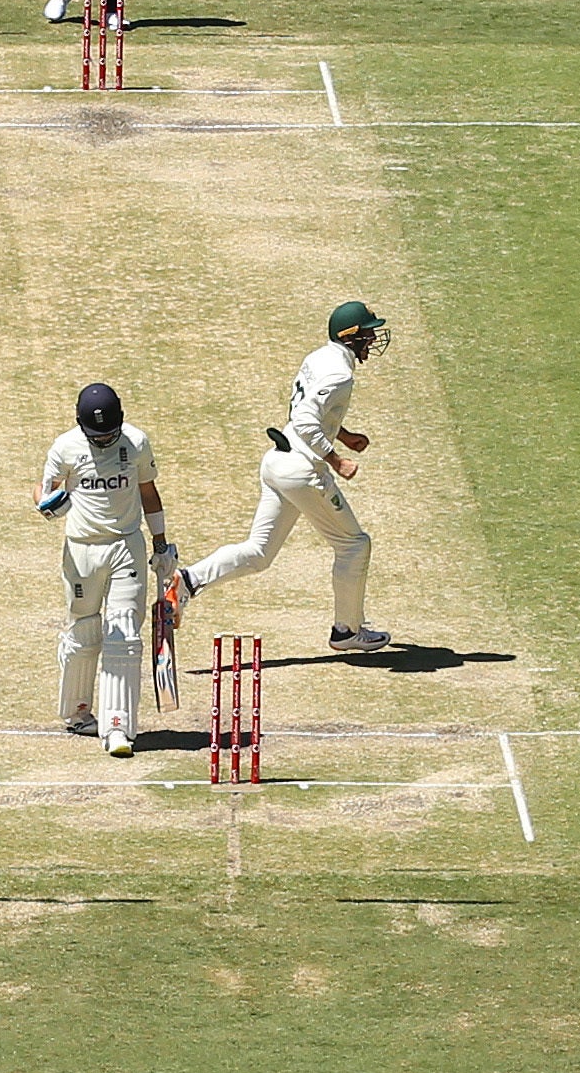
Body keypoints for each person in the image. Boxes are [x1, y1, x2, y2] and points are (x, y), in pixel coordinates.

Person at [172, 302, 394, 654]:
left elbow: (306, 412)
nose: (372, 339)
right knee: (355, 545)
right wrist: (336, 459)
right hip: (303, 472)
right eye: (367, 333)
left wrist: (344, 433)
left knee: (259, 553)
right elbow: (306, 420)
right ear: (350, 337)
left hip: (278, 461)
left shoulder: (320, 357)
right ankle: (347, 631)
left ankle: (187, 581)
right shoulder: (341, 374)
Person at [37, 382, 182, 758]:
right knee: (85, 632)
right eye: (96, 437)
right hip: (82, 549)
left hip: (125, 547)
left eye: (109, 434)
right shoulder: (65, 447)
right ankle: (78, 713)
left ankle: (118, 727)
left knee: (124, 634)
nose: (104, 441)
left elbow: (148, 491)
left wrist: (161, 543)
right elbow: (43, 490)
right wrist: (47, 505)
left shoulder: (136, 443)